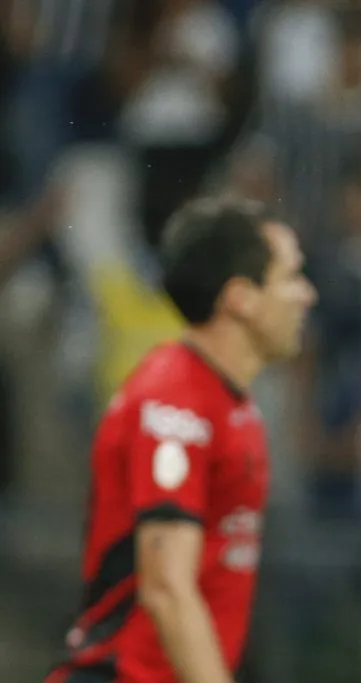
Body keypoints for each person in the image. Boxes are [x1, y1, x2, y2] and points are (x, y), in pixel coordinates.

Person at [46, 197, 318, 683]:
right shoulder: (176, 403)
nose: (307, 295)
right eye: (292, 277)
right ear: (242, 298)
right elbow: (167, 587)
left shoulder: (231, 405)